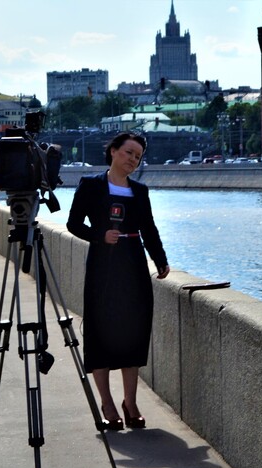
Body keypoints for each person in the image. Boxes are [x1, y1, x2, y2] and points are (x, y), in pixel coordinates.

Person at [66, 132, 170, 431]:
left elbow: (149, 228)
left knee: (132, 331)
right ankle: (107, 403)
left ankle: (131, 402)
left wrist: (160, 259)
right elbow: (73, 224)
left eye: (138, 156)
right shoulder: (91, 185)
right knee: (99, 329)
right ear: (112, 151)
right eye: (128, 152)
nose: (133, 160)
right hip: (102, 264)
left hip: (133, 263)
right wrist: (99, 236)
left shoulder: (140, 191)